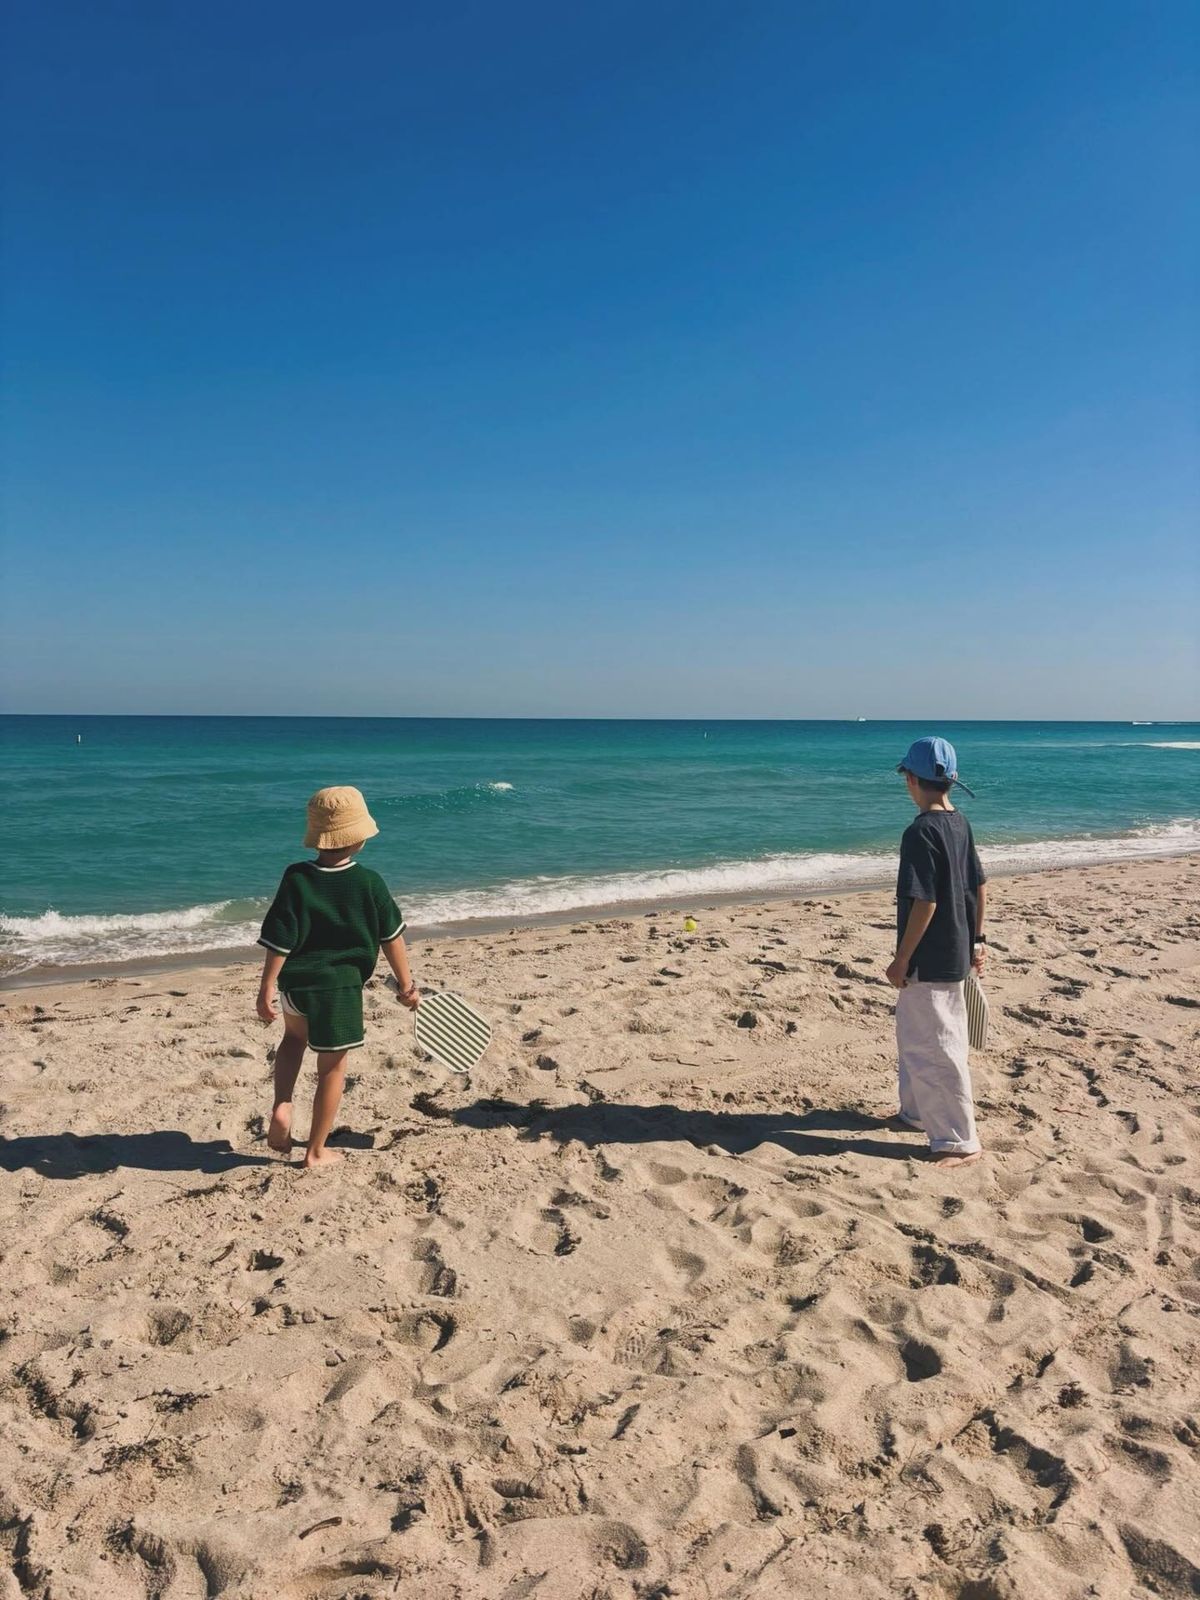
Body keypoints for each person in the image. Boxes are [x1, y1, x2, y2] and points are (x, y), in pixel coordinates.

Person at [256, 786, 419, 1169]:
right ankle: (315, 1151)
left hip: (296, 984)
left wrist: (266, 987)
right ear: (359, 837)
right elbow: (392, 938)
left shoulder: (296, 877)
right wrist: (407, 986)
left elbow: (280, 938)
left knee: (293, 1039)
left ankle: (282, 1105)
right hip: (339, 990)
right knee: (332, 1068)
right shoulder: (369, 882)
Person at [884, 737, 986, 1167]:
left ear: (911, 779)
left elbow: (924, 902)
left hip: (930, 959)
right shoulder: (959, 823)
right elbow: (978, 886)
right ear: (951, 780)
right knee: (915, 1039)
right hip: (957, 949)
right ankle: (915, 1113)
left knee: (937, 1048)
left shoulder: (920, 832)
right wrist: (978, 940)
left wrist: (902, 958)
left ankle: (958, 1141)